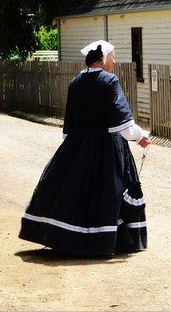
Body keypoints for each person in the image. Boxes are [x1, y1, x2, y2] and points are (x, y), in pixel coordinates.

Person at [19, 40, 151, 256]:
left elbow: (68, 124)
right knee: (106, 190)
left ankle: (68, 237)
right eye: (112, 57)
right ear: (101, 59)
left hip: (77, 143)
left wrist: (73, 145)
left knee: (74, 189)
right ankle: (105, 240)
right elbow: (121, 118)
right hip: (105, 144)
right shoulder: (110, 81)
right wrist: (139, 137)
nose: (114, 61)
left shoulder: (76, 81)